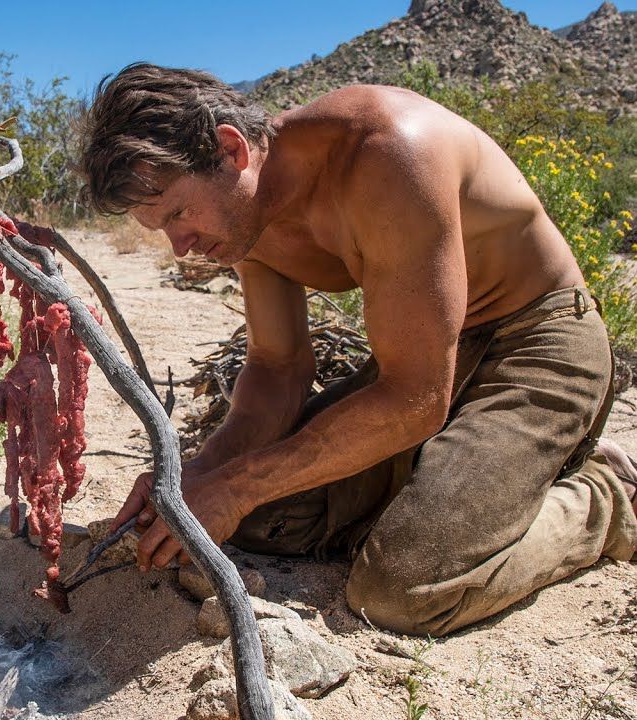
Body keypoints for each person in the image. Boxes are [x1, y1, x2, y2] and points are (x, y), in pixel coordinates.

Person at [77, 63, 637, 636]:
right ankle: (453, 480)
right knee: (253, 521)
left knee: (403, 588)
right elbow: (279, 368)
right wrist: (198, 472)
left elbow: (417, 399)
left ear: (230, 150)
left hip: (539, 341)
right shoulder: (244, 214)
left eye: (177, 214)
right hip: (426, 354)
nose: (181, 247)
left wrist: (236, 485)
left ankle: (608, 495)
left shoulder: (389, 152)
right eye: (161, 229)